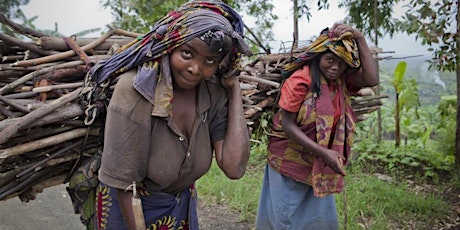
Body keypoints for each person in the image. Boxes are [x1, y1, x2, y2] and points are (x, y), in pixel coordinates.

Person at [85, 1, 252, 229]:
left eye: (209, 61)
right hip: (128, 210)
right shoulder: (136, 91)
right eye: (187, 53)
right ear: (170, 45)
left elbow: (234, 168)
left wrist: (233, 88)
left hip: (179, 207)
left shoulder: (212, 92)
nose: (196, 68)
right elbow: (124, 185)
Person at [255, 23, 379, 230]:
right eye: (330, 60)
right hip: (290, 159)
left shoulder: (341, 80)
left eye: (341, 63)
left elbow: (371, 79)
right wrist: (324, 153)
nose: (335, 67)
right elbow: (287, 124)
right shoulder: (300, 81)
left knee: (316, 218)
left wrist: (360, 38)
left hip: (321, 162)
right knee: (286, 216)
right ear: (318, 57)